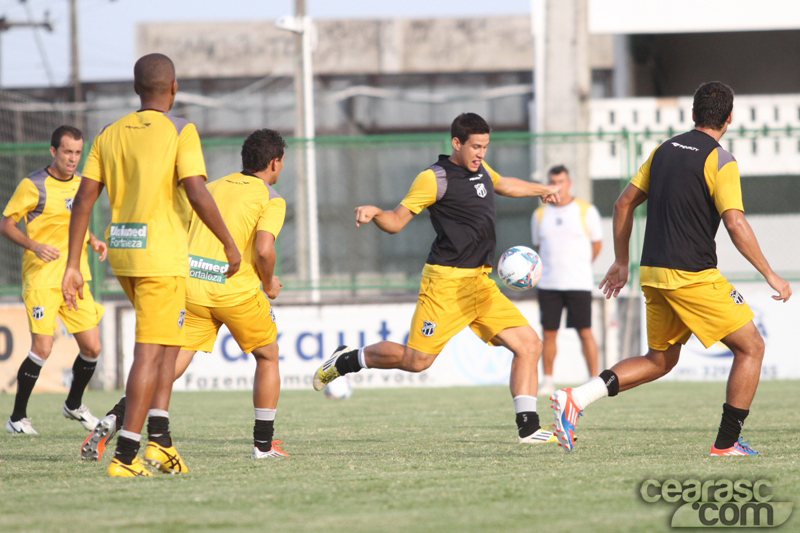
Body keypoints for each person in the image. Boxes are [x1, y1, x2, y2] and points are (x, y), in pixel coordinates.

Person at [551, 81, 792, 455]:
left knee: (660, 359)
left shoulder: (663, 151)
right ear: (729, 119)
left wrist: (620, 260)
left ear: (693, 115)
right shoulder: (721, 160)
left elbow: (621, 204)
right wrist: (770, 274)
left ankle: (576, 398)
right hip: (691, 275)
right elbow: (735, 223)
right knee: (751, 348)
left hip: (653, 272)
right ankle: (727, 444)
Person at [313, 112, 562, 444]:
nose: (481, 153)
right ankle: (347, 359)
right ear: (456, 143)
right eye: (475, 146)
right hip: (445, 284)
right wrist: (375, 214)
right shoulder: (434, 178)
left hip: (481, 284)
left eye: (485, 146)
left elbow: (502, 184)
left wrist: (541, 189)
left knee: (529, 345)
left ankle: (528, 428)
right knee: (417, 362)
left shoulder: (482, 170)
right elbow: (397, 221)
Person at [62, 53, 241, 477]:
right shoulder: (182, 130)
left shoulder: (110, 133)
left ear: (136, 87)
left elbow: (84, 199)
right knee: (150, 351)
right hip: (161, 256)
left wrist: (73, 263)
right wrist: (230, 244)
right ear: (174, 87)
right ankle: (125, 456)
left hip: (124, 253)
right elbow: (196, 191)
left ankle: (159, 441)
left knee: (165, 346)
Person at [81, 129, 289, 461]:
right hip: (234, 292)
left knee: (169, 366)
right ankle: (263, 446)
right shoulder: (271, 198)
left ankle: (117, 416)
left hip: (191, 288)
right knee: (267, 356)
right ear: (275, 163)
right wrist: (268, 284)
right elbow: (264, 250)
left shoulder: (212, 187)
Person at [2, 125, 107, 435]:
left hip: (76, 279)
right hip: (42, 280)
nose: (73, 158)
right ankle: (17, 418)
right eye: (67, 152)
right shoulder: (33, 185)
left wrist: (93, 240)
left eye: (77, 152)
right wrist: (34, 246)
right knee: (43, 348)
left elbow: (75, 223)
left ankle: (73, 405)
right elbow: (6, 225)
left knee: (92, 348)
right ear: (53, 151)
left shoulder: (81, 186)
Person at [531, 165, 602, 396]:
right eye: (552, 181)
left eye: (560, 181)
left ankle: (594, 381)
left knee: (585, 331)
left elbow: (597, 243)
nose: (557, 186)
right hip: (549, 284)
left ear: (568, 182)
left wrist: (580, 266)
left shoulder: (586, 210)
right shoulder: (540, 214)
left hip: (578, 283)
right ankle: (548, 381)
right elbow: (538, 248)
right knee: (549, 333)